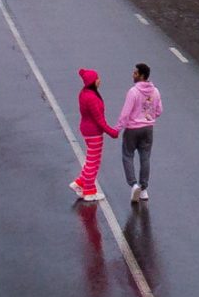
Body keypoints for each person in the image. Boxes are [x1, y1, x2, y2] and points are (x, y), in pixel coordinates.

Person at [116, 62, 163, 203]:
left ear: (142, 75)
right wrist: (148, 117)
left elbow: (125, 113)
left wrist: (118, 128)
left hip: (132, 129)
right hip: (148, 129)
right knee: (145, 157)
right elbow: (159, 111)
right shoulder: (155, 91)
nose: (133, 75)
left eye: (135, 73)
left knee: (128, 155)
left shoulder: (133, 92)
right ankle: (144, 189)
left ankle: (133, 184)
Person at [70, 69, 119, 203]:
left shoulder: (84, 93)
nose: (99, 80)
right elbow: (99, 119)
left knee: (91, 159)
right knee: (94, 162)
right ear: (92, 81)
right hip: (93, 132)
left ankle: (80, 182)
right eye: (97, 78)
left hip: (87, 129)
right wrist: (112, 132)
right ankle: (90, 191)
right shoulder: (91, 97)